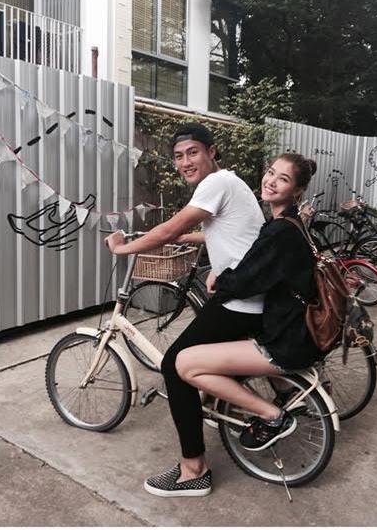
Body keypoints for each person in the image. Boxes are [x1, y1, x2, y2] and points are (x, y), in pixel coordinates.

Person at [143, 153, 321, 498]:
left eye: (283, 179)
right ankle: (258, 403)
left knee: (180, 364)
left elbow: (247, 279)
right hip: (289, 329)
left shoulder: (280, 231)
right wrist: (213, 262)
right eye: (271, 172)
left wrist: (220, 280)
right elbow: (254, 259)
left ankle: (267, 419)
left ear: (296, 191)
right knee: (199, 355)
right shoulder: (287, 224)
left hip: (283, 340)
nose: (271, 181)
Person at [104, 121, 267, 491]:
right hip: (245, 294)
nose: (184, 162)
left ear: (212, 152)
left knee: (174, 366)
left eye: (192, 153)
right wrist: (181, 243)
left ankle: (193, 470)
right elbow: (217, 231)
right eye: (178, 156)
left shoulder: (215, 184)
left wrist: (124, 248)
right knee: (203, 348)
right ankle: (222, 407)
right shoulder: (229, 182)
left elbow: (171, 228)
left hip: (242, 302)